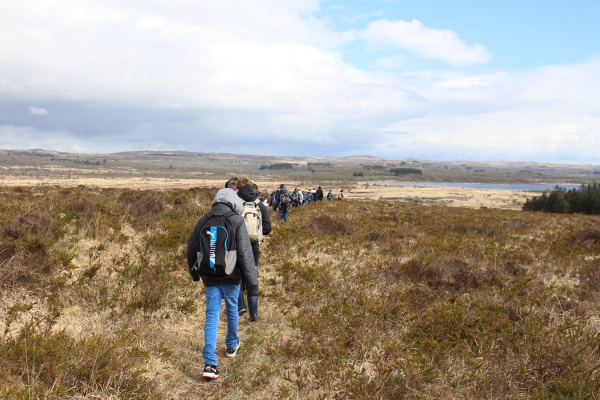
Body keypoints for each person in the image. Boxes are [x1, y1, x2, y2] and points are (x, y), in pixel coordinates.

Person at [187, 187, 258, 380]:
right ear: (234, 203)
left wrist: (194, 274)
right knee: (232, 310)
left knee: (211, 316)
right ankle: (231, 345)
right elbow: (245, 254)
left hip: (209, 276)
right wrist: (252, 284)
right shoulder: (236, 220)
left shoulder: (203, 220)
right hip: (232, 275)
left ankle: (209, 363)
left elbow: (191, 248)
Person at [236, 178, 271, 321]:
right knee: (252, 276)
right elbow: (268, 228)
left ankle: (240, 306)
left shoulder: (236, 204)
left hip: (237, 245)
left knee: (237, 275)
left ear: (238, 189)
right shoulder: (260, 205)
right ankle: (254, 314)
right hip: (254, 246)